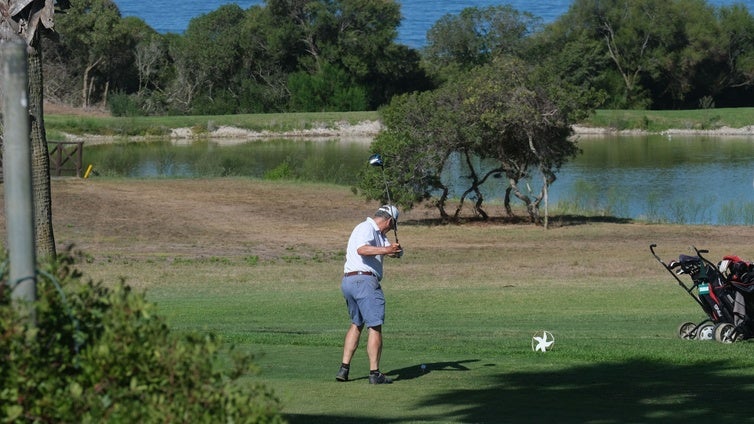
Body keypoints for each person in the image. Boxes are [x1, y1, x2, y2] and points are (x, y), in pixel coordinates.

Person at [336, 205, 402, 384]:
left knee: (356, 323)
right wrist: (387, 251)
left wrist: (396, 251)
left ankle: (344, 369)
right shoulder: (366, 228)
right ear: (389, 221)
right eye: (392, 226)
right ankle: (374, 373)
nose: (391, 229)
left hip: (350, 281)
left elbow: (391, 250)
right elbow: (362, 249)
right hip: (364, 281)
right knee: (375, 326)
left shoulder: (380, 235)